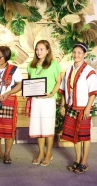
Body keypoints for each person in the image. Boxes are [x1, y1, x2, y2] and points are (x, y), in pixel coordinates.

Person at [59, 43, 97, 173]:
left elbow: (93, 92)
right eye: (74, 52)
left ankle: (84, 162)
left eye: (79, 53)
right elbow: (63, 89)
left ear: (85, 54)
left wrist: (87, 108)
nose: (76, 55)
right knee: (74, 135)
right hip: (71, 107)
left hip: (83, 108)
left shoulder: (89, 71)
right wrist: (62, 105)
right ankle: (77, 160)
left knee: (84, 136)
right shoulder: (69, 70)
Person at [27, 40, 61, 166]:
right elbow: (30, 82)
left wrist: (52, 93)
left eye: (42, 49)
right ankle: (40, 153)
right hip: (36, 101)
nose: (39, 51)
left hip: (48, 101)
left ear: (47, 51)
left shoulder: (54, 64)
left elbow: (58, 81)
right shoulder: (31, 65)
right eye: (37, 49)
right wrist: (28, 93)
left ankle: (48, 154)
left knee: (47, 128)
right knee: (38, 127)